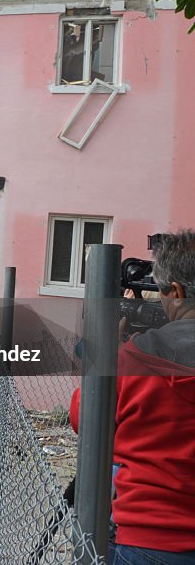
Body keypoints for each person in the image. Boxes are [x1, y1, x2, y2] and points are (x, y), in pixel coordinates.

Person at [71, 230, 195, 563]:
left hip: (151, 537)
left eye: (162, 292)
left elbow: (85, 419)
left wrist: (104, 358)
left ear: (178, 293)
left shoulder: (133, 359)